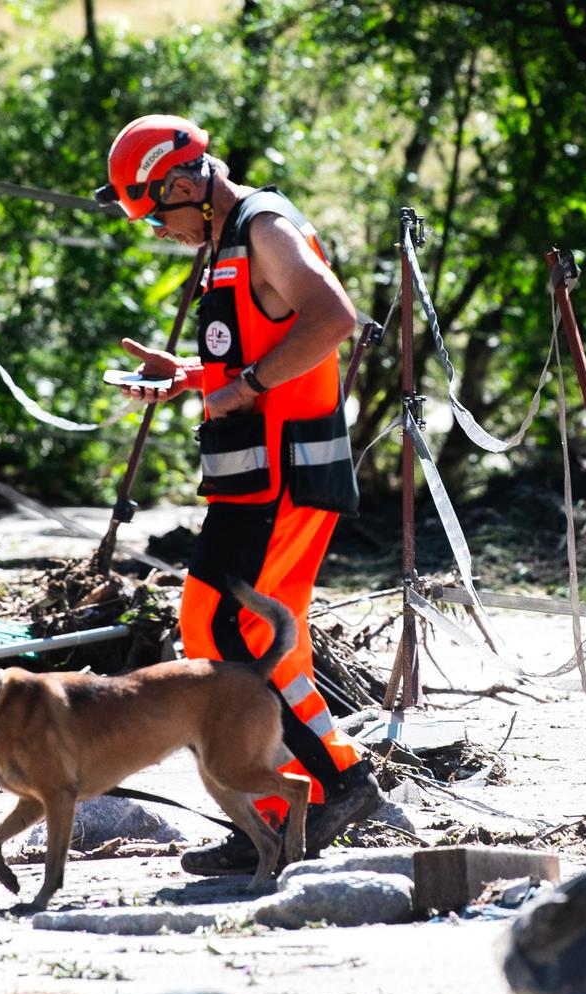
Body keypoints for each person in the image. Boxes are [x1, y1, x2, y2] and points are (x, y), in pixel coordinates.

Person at [96, 114, 383, 875]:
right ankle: (295, 806)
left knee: (218, 626)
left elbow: (333, 319)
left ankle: (335, 785)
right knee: (264, 639)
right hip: (254, 477)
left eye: (155, 214)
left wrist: (248, 384)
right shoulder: (227, 240)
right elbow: (264, 343)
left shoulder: (264, 226)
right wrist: (190, 378)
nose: (159, 230)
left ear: (183, 183)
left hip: (281, 477)